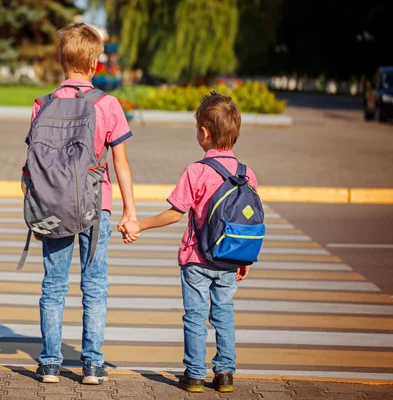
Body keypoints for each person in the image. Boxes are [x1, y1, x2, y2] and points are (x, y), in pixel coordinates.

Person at [120, 91, 256, 393]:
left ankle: (194, 375)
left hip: (196, 259)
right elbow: (247, 222)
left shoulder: (197, 171)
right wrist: (244, 259)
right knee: (224, 314)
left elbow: (175, 214)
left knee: (195, 317)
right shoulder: (247, 175)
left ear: (204, 133)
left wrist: (139, 224)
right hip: (231, 258)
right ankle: (225, 374)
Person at [26, 23, 136, 385]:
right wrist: (129, 211)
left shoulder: (42, 104)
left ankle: (50, 364)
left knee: (53, 285)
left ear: (61, 61)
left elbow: (32, 166)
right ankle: (91, 364)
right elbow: (120, 162)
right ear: (95, 65)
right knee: (96, 285)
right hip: (95, 206)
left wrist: (37, 214)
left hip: (52, 205)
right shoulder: (108, 104)